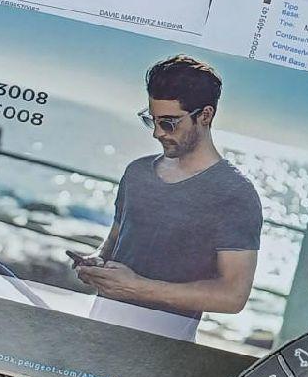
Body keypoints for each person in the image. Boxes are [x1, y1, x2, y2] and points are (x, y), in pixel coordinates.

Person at [67, 55, 262, 341]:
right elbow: (115, 241)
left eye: (169, 123)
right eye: (152, 120)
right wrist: (96, 262)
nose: (157, 133)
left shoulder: (235, 194)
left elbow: (233, 296)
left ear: (205, 116)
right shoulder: (136, 172)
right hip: (96, 336)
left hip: (161, 353)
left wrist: (136, 287)